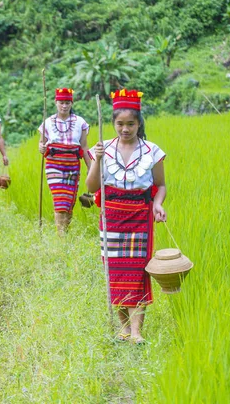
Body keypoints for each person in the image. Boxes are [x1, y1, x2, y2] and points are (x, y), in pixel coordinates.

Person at [85, 89, 167, 344]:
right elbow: (91, 187)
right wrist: (97, 160)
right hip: (112, 218)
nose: (125, 129)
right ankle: (123, 328)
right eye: (120, 124)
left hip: (139, 219)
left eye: (130, 124)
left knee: (137, 273)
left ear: (139, 123)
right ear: (113, 124)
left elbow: (161, 185)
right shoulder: (103, 149)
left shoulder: (152, 151)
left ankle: (137, 332)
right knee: (116, 273)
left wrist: (158, 204)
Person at [39, 88, 91, 235]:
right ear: (56, 103)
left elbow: (84, 146)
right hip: (54, 164)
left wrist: (90, 167)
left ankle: (65, 231)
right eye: (61, 102)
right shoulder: (47, 122)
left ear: (71, 103)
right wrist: (41, 148)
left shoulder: (80, 122)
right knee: (60, 199)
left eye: (67, 102)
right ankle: (60, 234)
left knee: (69, 201)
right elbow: (41, 143)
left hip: (73, 165)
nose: (64, 106)